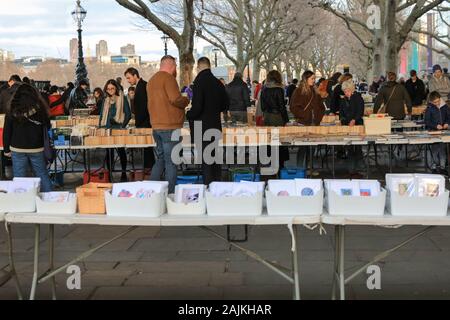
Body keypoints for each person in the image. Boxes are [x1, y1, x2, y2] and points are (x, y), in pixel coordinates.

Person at [147, 55, 190, 193]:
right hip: (170, 127)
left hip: (156, 126)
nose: (176, 68)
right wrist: (186, 99)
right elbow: (175, 99)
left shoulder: (152, 80)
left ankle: (152, 192)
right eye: (175, 66)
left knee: (160, 160)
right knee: (171, 162)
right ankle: (170, 194)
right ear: (172, 66)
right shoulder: (169, 78)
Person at [2, 83, 53, 192]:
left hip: (17, 148)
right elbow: (47, 126)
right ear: (33, 95)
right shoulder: (40, 109)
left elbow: (7, 131)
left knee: (19, 177)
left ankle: (22, 202)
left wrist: (6, 149)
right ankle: (49, 199)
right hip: (37, 148)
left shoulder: (12, 109)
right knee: (42, 174)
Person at [187, 57, 229, 185]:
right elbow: (225, 104)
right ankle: (217, 185)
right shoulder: (218, 83)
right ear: (209, 66)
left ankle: (208, 187)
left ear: (199, 67)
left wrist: (189, 114)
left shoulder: (199, 82)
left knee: (206, 161)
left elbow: (197, 107)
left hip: (201, 127)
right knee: (215, 159)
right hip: (215, 125)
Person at [290, 71, 324, 168]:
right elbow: (293, 107)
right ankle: (300, 169)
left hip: (314, 123)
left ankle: (310, 168)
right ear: (306, 79)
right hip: (303, 123)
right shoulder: (298, 91)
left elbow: (321, 107)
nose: (314, 81)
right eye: (312, 78)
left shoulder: (315, 91)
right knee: (302, 147)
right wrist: (304, 115)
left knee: (312, 147)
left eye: (314, 78)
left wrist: (318, 117)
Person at [99, 79, 132, 182]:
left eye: (112, 88)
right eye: (108, 89)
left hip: (119, 130)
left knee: (121, 151)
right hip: (107, 129)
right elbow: (101, 115)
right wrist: (100, 126)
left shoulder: (122, 98)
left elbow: (128, 114)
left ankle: (123, 172)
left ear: (116, 88)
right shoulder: (105, 100)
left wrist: (122, 126)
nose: (110, 91)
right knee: (109, 152)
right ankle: (109, 173)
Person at [124, 67, 156, 172]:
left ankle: (149, 170)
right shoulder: (142, 85)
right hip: (145, 121)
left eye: (129, 78)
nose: (128, 81)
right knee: (147, 149)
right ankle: (149, 170)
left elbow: (143, 108)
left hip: (144, 123)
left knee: (147, 149)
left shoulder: (142, 87)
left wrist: (138, 123)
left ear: (135, 75)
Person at [258, 70, 290, 170]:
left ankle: (271, 161)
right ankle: (280, 163)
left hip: (267, 116)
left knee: (270, 139)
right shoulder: (279, 89)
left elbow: (262, 106)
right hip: (277, 117)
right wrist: (286, 119)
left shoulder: (264, 90)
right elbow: (282, 106)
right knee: (280, 140)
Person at [340, 80, 365, 177]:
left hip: (357, 125)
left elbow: (360, 111)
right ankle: (351, 170)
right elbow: (341, 112)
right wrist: (342, 120)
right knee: (349, 148)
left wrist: (354, 119)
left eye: (347, 91)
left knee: (358, 147)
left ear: (351, 89)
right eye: (344, 91)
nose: (345, 93)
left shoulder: (358, 98)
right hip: (347, 126)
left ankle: (360, 169)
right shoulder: (343, 100)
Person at [425, 91, 449, 174]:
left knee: (442, 150)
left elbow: (448, 117)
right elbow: (427, 121)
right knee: (434, 150)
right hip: (433, 131)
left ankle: (442, 167)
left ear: (440, 99)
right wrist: (435, 126)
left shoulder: (445, 106)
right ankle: (434, 166)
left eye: (438, 101)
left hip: (443, 131)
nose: (437, 103)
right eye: (435, 102)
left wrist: (447, 123)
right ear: (431, 102)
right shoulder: (429, 108)